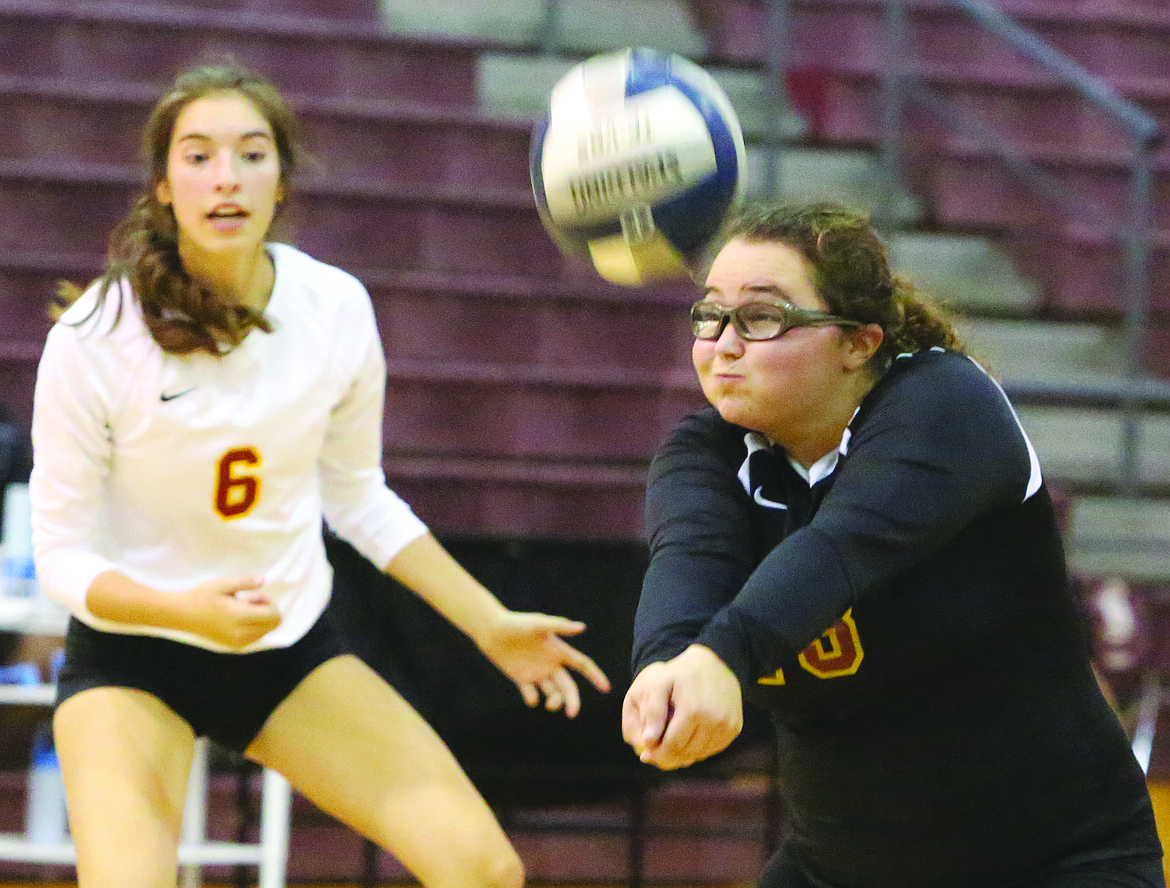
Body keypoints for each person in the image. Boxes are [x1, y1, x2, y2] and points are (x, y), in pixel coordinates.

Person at [29, 62, 610, 888]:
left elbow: (357, 497)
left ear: (282, 179)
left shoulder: (334, 308)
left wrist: (487, 622)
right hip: (135, 655)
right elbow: (61, 558)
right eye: (198, 156)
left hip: (284, 646)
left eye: (251, 153)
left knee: (484, 870)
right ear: (162, 185)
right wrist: (179, 608)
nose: (225, 177)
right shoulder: (95, 336)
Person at [621, 202, 1164, 888]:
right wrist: (667, 668)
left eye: (761, 317)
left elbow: (843, 548)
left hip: (1054, 863)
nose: (724, 342)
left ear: (858, 342)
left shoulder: (947, 406)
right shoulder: (703, 454)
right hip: (840, 871)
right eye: (710, 315)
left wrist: (722, 658)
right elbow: (687, 565)